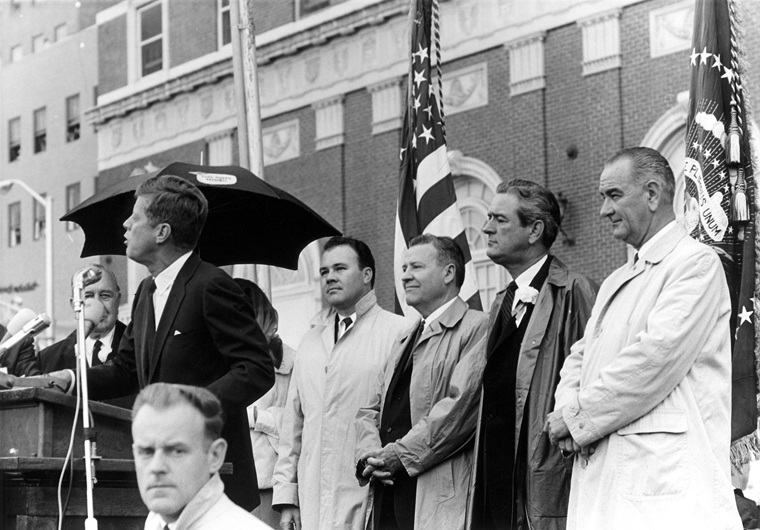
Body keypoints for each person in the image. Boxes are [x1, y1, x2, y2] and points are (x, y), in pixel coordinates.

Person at [545, 147, 743, 529]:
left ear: (652, 195)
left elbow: (654, 360)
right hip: (608, 482)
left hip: (662, 487)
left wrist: (576, 416)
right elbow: (579, 358)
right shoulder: (618, 280)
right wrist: (568, 409)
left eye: (614, 195)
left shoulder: (694, 265)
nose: (603, 210)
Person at [50, 175, 274, 511]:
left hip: (214, 481)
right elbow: (126, 369)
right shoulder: (146, 292)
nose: (125, 224)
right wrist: (72, 380)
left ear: (162, 232)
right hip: (166, 481)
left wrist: (192, 409)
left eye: (136, 217)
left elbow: (257, 368)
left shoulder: (212, 285)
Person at [470, 180, 596, 529]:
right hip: (492, 485)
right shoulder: (500, 303)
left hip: (543, 486)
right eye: (487, 217)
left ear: (534, 230)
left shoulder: (574, 291)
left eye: (499, 219)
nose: (486, 228)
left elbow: (593, 385)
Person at [355, 234, 488, 530]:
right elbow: (370, 408)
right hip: (386, 491)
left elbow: (458, 410)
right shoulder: (404, 337)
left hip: (433, 492)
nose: (405, 277)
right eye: (403, 269)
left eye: (415, 267)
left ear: (449, 273)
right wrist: (369, 456)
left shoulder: (477, 327)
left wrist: (396, 456)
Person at [273, 236, 406, 530]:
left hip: (374, 499)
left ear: (367, 275)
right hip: (312, 503)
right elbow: (292, 429)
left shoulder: (399, 333)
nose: (330, 277)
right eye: (323, 272)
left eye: (340, 268)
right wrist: (288, 498)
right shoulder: (309, 342)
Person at [132, 382, 273, 530]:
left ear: (215, 455)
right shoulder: (156, 523)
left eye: (177, 451)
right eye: (146, 452)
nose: (156, 467)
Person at [235, 278, 297, 528]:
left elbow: (298, 425)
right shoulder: (219, 359)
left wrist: (258, 417)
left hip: (268, 488)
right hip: (226, 482)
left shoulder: (289, 362)